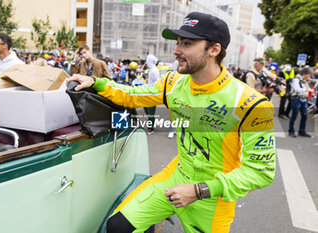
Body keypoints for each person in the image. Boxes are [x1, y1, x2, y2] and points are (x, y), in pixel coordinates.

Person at [67, 12, 276, 233]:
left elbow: (261, 172)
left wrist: (199, 190)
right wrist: (96, 82)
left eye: (187, 44)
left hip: (212, 198)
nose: (176, 51)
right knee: (118, 226)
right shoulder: (172, 82)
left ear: (214, 50)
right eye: (177, 43)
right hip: (175, 175)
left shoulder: (252, 103)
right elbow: (131, 95)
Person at [288, 67, 314, 137]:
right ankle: (291, 131)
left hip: (304, 100)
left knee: (304, 116)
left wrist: (311, 92)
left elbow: (308, 88)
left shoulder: (305, 81)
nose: (310, 76)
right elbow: (297, 89)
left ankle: (302, 131)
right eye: (309, 74)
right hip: (296, 100)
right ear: (305, 74)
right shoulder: (295, 80)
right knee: (294, 116)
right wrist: (308, 91)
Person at [143, 54, 160, 134]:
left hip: (152, 94)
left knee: (151, 112)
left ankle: (151, 128)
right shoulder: (151, 69)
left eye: (147, 61)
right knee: (146, 108)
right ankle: (151, 122)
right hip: (148, 92)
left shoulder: (155, 71)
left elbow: (158, 82)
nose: (146, 63)